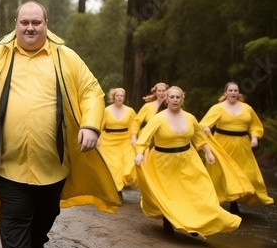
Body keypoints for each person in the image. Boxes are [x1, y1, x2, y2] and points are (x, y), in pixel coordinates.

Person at [0, 1, 120, 248]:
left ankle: (36, 242)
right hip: (8, 161)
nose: (30, 28)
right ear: (15, 23)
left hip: (53, 161)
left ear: (47, 22)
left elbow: (91, 91)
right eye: (24, 22)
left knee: (46, 212)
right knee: (15, 215)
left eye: (36, 22)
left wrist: (91, 125)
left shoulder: (65, 57)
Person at [134, 86, 241, 237]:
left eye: (178, 97)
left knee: (197, 191)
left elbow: (199, 138)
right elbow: (143, 140)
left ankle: (196, 223)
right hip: (163, 163)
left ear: (182, 99)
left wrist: (209, 154)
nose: (175, 100)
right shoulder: (158, 119)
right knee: (172, 194)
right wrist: (139, 154)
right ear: (166, 100)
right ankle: (168, 219)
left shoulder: (190, 118)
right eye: (172, 97)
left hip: (188, 159)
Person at [199, 82, 274, 213]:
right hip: (222, 144)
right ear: (226, 93)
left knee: (247, 174)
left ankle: (237, 200)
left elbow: (255, 125)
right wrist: (206, 128)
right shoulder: (218, 108)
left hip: (243, 145)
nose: (233, 92)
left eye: (235, 90)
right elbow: (203, 124)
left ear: (238, 93)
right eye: (231, 90)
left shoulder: (247, 108)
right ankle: (223, 202)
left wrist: (255, 137)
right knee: (224, 174)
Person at [99, 88, 138, 197]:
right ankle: (117, 191)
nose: (120, 97)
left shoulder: (130, 111)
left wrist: (133, 137)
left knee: (128, 164)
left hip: (125, 140)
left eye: (122, 96)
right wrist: (98, 138)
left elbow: (134, 125)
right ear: (113, 97)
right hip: (109, 141)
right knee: (114, 166)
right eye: (118, 95)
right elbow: (100, 125)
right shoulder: (106, 111)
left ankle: (121, 186)